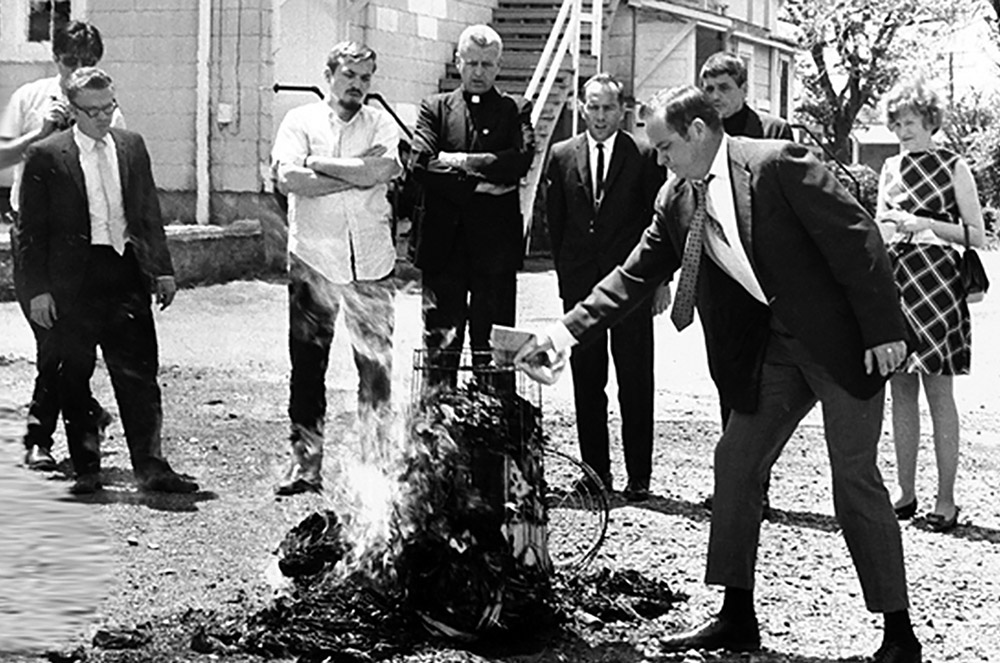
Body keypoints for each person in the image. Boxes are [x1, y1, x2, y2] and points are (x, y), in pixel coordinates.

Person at [516, 86, 921, 663]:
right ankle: (737, 616)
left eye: (665, 147)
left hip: (842, 343)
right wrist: (560, 334)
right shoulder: (675, 199)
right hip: (773, 349)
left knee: (853, 478)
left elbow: (859, 238)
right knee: (735, 462)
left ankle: (899, 636)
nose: (659, 159)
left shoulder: (779, 164)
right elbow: (631, 277)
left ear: (700, 131)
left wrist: (886, 329)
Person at [17, 67, 198, 495]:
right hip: (71, 282)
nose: (102, 117)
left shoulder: (132, 146)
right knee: (74, 376)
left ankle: (151, 466)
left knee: (138, 374)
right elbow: (30, 231)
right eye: (92, 110)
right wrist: (38, 290)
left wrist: (163, 270)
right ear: (72, 109)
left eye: (108, 107)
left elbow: (148, 213)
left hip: (124, 272)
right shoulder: (46, 155)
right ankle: (87, 469)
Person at [271, 41, 401, 496]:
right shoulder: (299, 121)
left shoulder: (380, 120)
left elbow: (381, 171)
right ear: (330, 75)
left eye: (365, 78)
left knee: (375, 370)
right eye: (350, 76)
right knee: (308, 368)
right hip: (314, 261)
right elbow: (288, 179)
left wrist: (317, 164)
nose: (358, 86)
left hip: (371, 263)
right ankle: (304, 465)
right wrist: (355, 171)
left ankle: (376, 465)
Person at [0, 20, 121, 471]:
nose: (78, 70)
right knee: (51, 338)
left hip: (85, 240)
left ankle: (41, 438)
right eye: (71, 61)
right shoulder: (31, 97)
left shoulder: (105, 103)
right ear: (56, 58)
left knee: (69, 345)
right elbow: (3, 158)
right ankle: (80, 415)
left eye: (88, 62)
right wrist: (45, 133)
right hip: (35, 234)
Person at [545, 73, 667, 501]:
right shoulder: (561, 154)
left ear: (622, 111)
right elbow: (554, 223)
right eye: (593, 107)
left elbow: (661, 223)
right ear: (582, 108)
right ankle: (595, 474)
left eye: (608, 108)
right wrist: (568, 282)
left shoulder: (646, 155)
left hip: (631, 289)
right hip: (581, 288)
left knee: (635, 381)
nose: (600, 116)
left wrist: (658, 283)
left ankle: (639, 476)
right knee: (587, 382)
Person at [875, 80, 986, 533]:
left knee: (939, 394)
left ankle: (946, 499)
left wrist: (925, 224)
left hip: (938, 286)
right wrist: (889, 228)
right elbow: (879, 226)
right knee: (900, 390)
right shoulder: (888, 167)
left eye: (911, 122)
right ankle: (905, 493)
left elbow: (977, 235)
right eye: (897, 122)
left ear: (931, 121)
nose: (903, 130)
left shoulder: (953, 166)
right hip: (898, 282)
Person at [411, 24, 535, 379]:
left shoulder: (516, 109)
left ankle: (493, 427)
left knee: (493, 352)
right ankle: (435, 429)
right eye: (471, 63)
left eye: (487, 64)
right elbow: (420, 163)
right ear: (458, 62)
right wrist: (481, 184)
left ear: (498, 65)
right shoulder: (434, 108)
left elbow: (520, 160)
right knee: (440, 350)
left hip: (494, 253)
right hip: (443, 250)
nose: (479, 72)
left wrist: (460, 161)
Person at [699, 51, 793, 144]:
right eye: (709, 89)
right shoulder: (698, 132)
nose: (715, 96)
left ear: (744, 90)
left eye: (724, 88)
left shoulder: (774, 132)